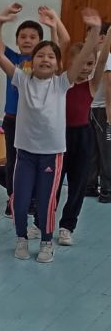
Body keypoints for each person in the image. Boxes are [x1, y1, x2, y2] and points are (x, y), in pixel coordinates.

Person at [0, 3, 101, 262]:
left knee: (46, 201)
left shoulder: (62, 83)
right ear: (32, 61)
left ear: (58, 63)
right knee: (19, 201)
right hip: (25, 154)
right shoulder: (22, 79)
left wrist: (95, 30)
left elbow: (85, 53)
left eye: (51, 56)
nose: (45, 59)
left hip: (51, 154)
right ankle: (21, 238)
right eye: (40, 55)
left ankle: (46, 242)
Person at [0, 6, 69, 215]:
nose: (27, 40)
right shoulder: (13, 59)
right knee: (14, 162)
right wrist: (0, 20)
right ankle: (13, 199)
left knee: (34, 164)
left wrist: (53, 25)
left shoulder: (43, 63)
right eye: (23, 36)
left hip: (35, 124)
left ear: (40, 41)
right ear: (16, 40)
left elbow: (60, 44)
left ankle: (33, 199)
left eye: (33, 37)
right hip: (13, 119)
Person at [57, 25, 111, 243]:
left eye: (90, 64)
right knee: (53, 184)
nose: (86, 68)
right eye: (81, 63)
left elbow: (103, 57)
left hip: (82, 137)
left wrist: (108, 36)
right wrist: (53, 23)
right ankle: (42, 222)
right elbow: (60, 45)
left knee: (77, 185)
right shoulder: (61, 82)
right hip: (58, 137)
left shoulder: (92, 85)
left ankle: (67, 226)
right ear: (70, 63)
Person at [86, 22, 111, 203]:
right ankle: (97, 188)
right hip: (96, 110)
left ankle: (101, 189)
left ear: (102, 37)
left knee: (102, 151)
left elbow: (108, 85)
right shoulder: (97, 58)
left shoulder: (104, 57)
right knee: (99, 151)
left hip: (101, 110)